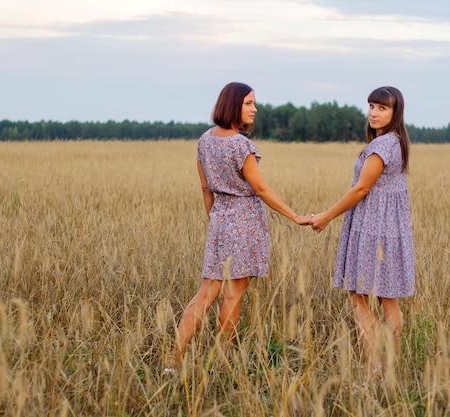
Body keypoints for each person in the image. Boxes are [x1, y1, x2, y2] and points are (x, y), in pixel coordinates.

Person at [165, 82, 311, 372]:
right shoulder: (241, 145)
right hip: (245, 221)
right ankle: (222, 362)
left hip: (219, 219)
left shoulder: (204, 141)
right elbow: (261, 189)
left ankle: (173, 359)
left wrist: (217, 219)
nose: (254, 109)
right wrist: (295, 216)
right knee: (233, 296)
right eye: (248, 103)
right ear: (233, 105)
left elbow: (206, 188)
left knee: (205, 293)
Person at [309, 86, 415, 371]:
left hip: (371, 227)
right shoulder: (396, 142)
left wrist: (326, 216)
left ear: (395, 113)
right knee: (387, 297)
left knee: (359, 295)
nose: (374, 113)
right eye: (371, 106)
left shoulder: (381, 146)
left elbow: (361, 189)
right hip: (391, 228)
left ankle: (373, 366)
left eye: (382, 108)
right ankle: (388, 366)